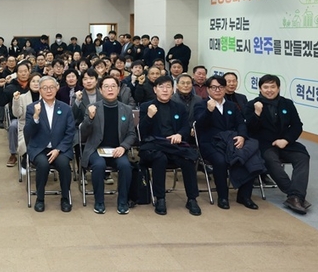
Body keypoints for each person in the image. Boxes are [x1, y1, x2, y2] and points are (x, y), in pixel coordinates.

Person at [244, 74, 311, 214]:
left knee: (302, 157)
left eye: (273, 87)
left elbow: (297, 125)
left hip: (285, 143)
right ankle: (295, 195)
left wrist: (286, 140)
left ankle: (295, 196)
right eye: (266, 87)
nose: (269, 90)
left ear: (278, 88)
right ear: (260, 89)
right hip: (264, 144)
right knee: (270, 159)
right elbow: (250, 129)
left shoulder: (287, 104)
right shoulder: (252, 105)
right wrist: (257, 113)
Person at [194, 76, 263, 210]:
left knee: (249, 155)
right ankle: (223, 196)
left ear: (225, 89)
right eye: (214, 87)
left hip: (231, 141)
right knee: (220, 161)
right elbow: (199, 126)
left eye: (221, 87)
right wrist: (208, 111)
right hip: (210, 143)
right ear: (208, 89)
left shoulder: (231, 106)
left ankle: (244, 196)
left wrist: (242, 136)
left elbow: (241, 123)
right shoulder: (201, 105)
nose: (218, 90)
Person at [138, 75, 201, 216]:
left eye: (168, 87)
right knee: (160, 159)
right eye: (161, 87)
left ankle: (192, 199)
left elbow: (185, 127)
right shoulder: (146, 106)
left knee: (188, 159)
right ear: (155, 89)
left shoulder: (179, 107)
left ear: (173, 90)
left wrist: (180, 134)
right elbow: (141, 132)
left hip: (174, 146)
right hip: (153, 146)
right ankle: (160, 198)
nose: (165, 90)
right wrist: (149, 116)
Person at [80, 75, 136, 214]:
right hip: (96, 150)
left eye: (113, 86)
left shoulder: (126, 109)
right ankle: (99, 202)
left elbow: (131, 134)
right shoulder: (92, 108)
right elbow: (83, 134)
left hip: (117, 150)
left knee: (125, 165)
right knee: (99, 165)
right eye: (106, 86)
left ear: (118, 89)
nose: (110, 89)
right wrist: (90, 119)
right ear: (100, 90)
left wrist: (123, 147)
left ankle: (122, 202)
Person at [24, 76, 76, 213]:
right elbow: (28, 133)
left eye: (51, 87)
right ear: (40, 90)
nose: (48, 91)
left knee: (64, 165)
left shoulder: (65, 108)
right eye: (45, 88)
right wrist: (35, 116)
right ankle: (40, 198)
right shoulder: (32, 108)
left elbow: (70, 132)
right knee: (43, 164)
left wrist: (59, 149)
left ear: (57, 88)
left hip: (60, 148)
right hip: (39, 148)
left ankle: (65, 198)